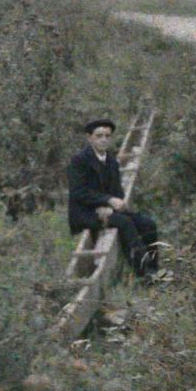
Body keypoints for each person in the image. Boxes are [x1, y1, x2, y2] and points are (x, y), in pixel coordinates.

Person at [67, 118, 163, 281]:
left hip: (108, 209)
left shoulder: (111, 161)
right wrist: (107, 201)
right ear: (90, 138)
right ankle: (142, 273)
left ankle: (154, 269)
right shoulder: (79, 160)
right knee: (125, 224)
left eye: (107, 136)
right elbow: (78, 192)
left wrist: (112, 203)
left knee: (148, 224)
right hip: (85, 213)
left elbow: (117, 191)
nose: (103, 139)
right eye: (99, 136)